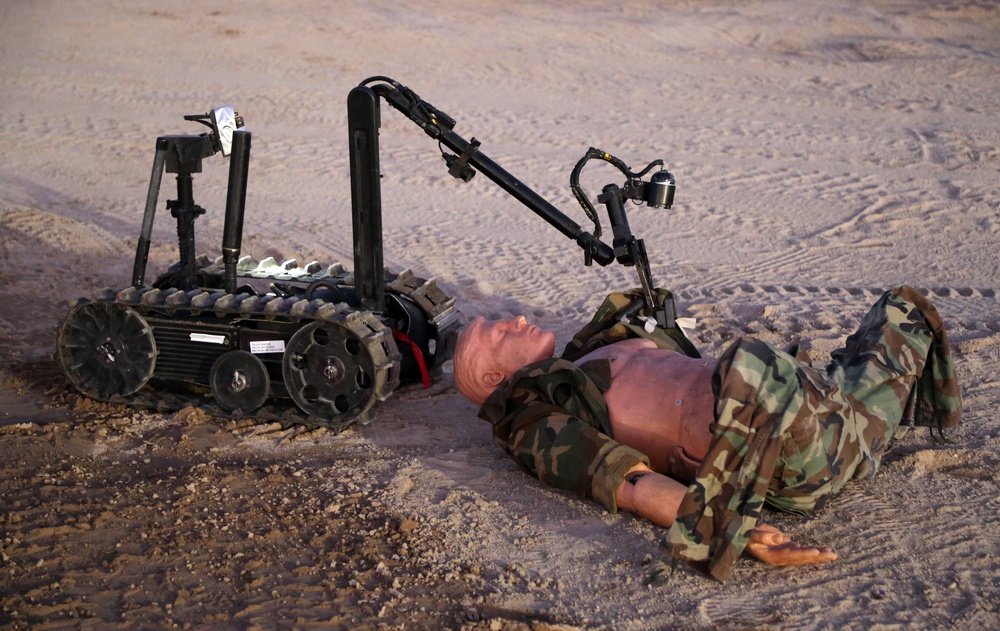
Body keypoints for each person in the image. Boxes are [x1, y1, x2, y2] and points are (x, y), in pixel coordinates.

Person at [453, 286, 961, 581]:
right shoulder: (531, 413)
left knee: (905, 306)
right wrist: (725, 529)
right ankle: (849, 433)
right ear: (494, 378)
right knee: (750, 359)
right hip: (788, 446)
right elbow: (618, 477)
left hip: (831, 417)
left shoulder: (591, 349)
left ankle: (874, 439)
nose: (515, 319)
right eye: (497, 332)